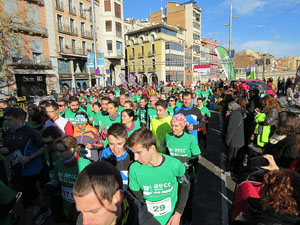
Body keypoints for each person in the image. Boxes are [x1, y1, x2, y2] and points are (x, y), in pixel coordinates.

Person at [128, 128, 190, 225]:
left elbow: (185, 185)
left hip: (171, 220)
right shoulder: (134, 169)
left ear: (152, 149)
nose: (135, 158)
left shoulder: (174, 165)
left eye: (139, 153)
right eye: (133, 153)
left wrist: (178, 214)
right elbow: (138, 198)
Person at [73, 161, 160, 225]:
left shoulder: (144, 221)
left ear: (117, 198)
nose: (85, 222)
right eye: (82, 211)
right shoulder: (84, 218)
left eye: (94, 211)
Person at [1, 107, 44, 225]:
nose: (6, 122)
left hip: (31, 170)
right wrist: (5, 150)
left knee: (26, 199)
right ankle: (44, 208)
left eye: (9, 120)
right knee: (32, 192)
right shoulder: (8, 133)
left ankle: (28, 221)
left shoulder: (31, 132)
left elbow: (43, 148)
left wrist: (29, 157)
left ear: (19, 119)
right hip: (17, 170)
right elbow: (8, 148)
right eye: (5, 119)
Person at [44, 135, 90, 224]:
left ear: (72, 149)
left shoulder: (85, 164)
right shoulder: (58, 163)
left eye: (61, 151)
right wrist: (51, 185)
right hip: (65, 204)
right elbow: (56, 179)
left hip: (81, 208)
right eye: (56, 151)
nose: (57, 154)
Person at [100, 123, 134, 190]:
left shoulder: (132, 155)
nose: (115, 148)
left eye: (119, 144)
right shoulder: (106, 154)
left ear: (126, 140)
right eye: (111, 144)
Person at [225, 101, 245, 175]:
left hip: (234, 141)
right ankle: (234, 169)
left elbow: (230, 130)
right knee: (236, 157)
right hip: (239, 140)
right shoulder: (238, 114)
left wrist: (227, 141)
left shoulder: (233, 116)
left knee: (232, 157)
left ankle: (232, 170)